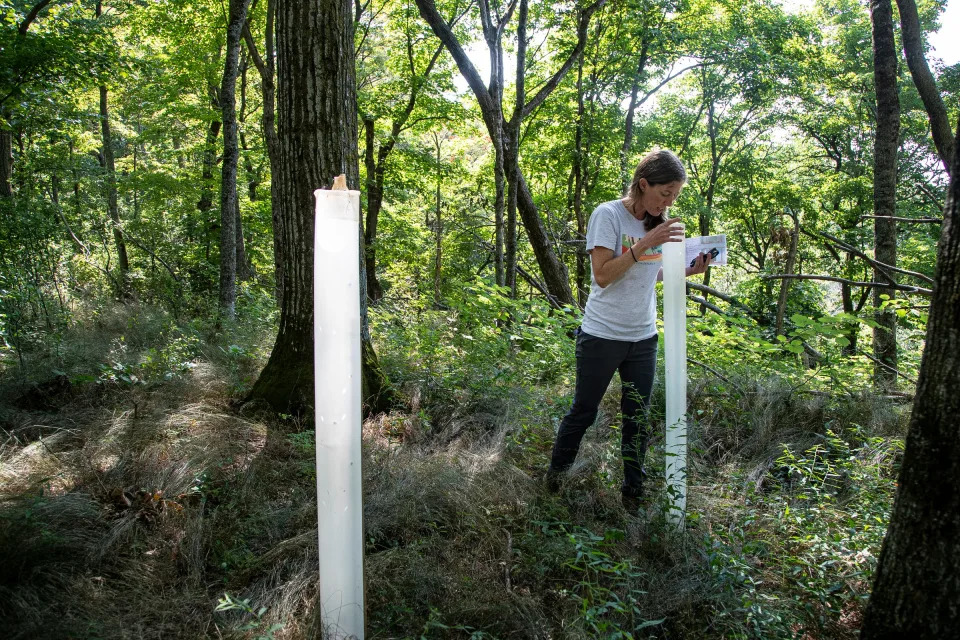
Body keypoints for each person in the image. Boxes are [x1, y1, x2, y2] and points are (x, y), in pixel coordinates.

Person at [546, 149, 711, 510]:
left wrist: (688, 270)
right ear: (643, 184)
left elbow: (651, 273)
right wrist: (647, 243)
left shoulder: (658, 222)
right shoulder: (608, 215)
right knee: (584, 412)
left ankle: (633, 494)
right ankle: (555, 482)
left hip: (643, 338)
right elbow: (604, 276)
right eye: (664, 193)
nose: (669, 201)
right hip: (602, 335)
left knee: (638, 417)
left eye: (675, 195)